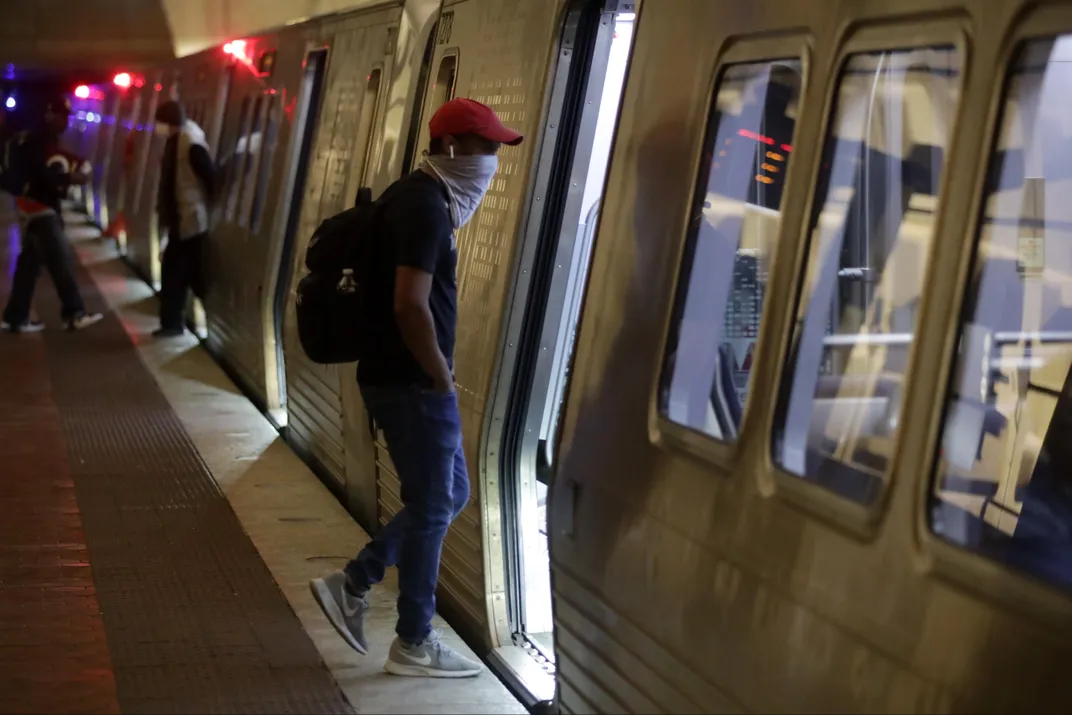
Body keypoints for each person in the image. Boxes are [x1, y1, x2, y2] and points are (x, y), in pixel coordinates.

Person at [310, 98, 523, 678]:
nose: (493, 161)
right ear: (453, 148)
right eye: (486, 149)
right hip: (411, 381)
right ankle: (410, 638)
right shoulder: (425, 208)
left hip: (400, 377)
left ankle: (356, 582)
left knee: (449, 495)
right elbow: (410, 304)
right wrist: (437, 373)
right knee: (435, 501)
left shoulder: (414, 196)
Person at [1, 94, 103, 333]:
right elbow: (41, 174)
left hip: (32, 206)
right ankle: (74, 313)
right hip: (41, 207)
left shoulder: (35, 137)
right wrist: (70, 178)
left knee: (29, 265)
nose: (65, 122)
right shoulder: (39, 140)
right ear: (49, 114)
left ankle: (16, 316)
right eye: (61, 116)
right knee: (60, 261)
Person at [153, 100, 215, 338]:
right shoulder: (180, 138)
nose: (158, 128)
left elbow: (208, 175)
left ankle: (174, 323)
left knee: (177, 272)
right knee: (182, 272)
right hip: (184, 219)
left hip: (190, 219)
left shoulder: (189, 141)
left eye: (160, 123)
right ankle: (175, 322)